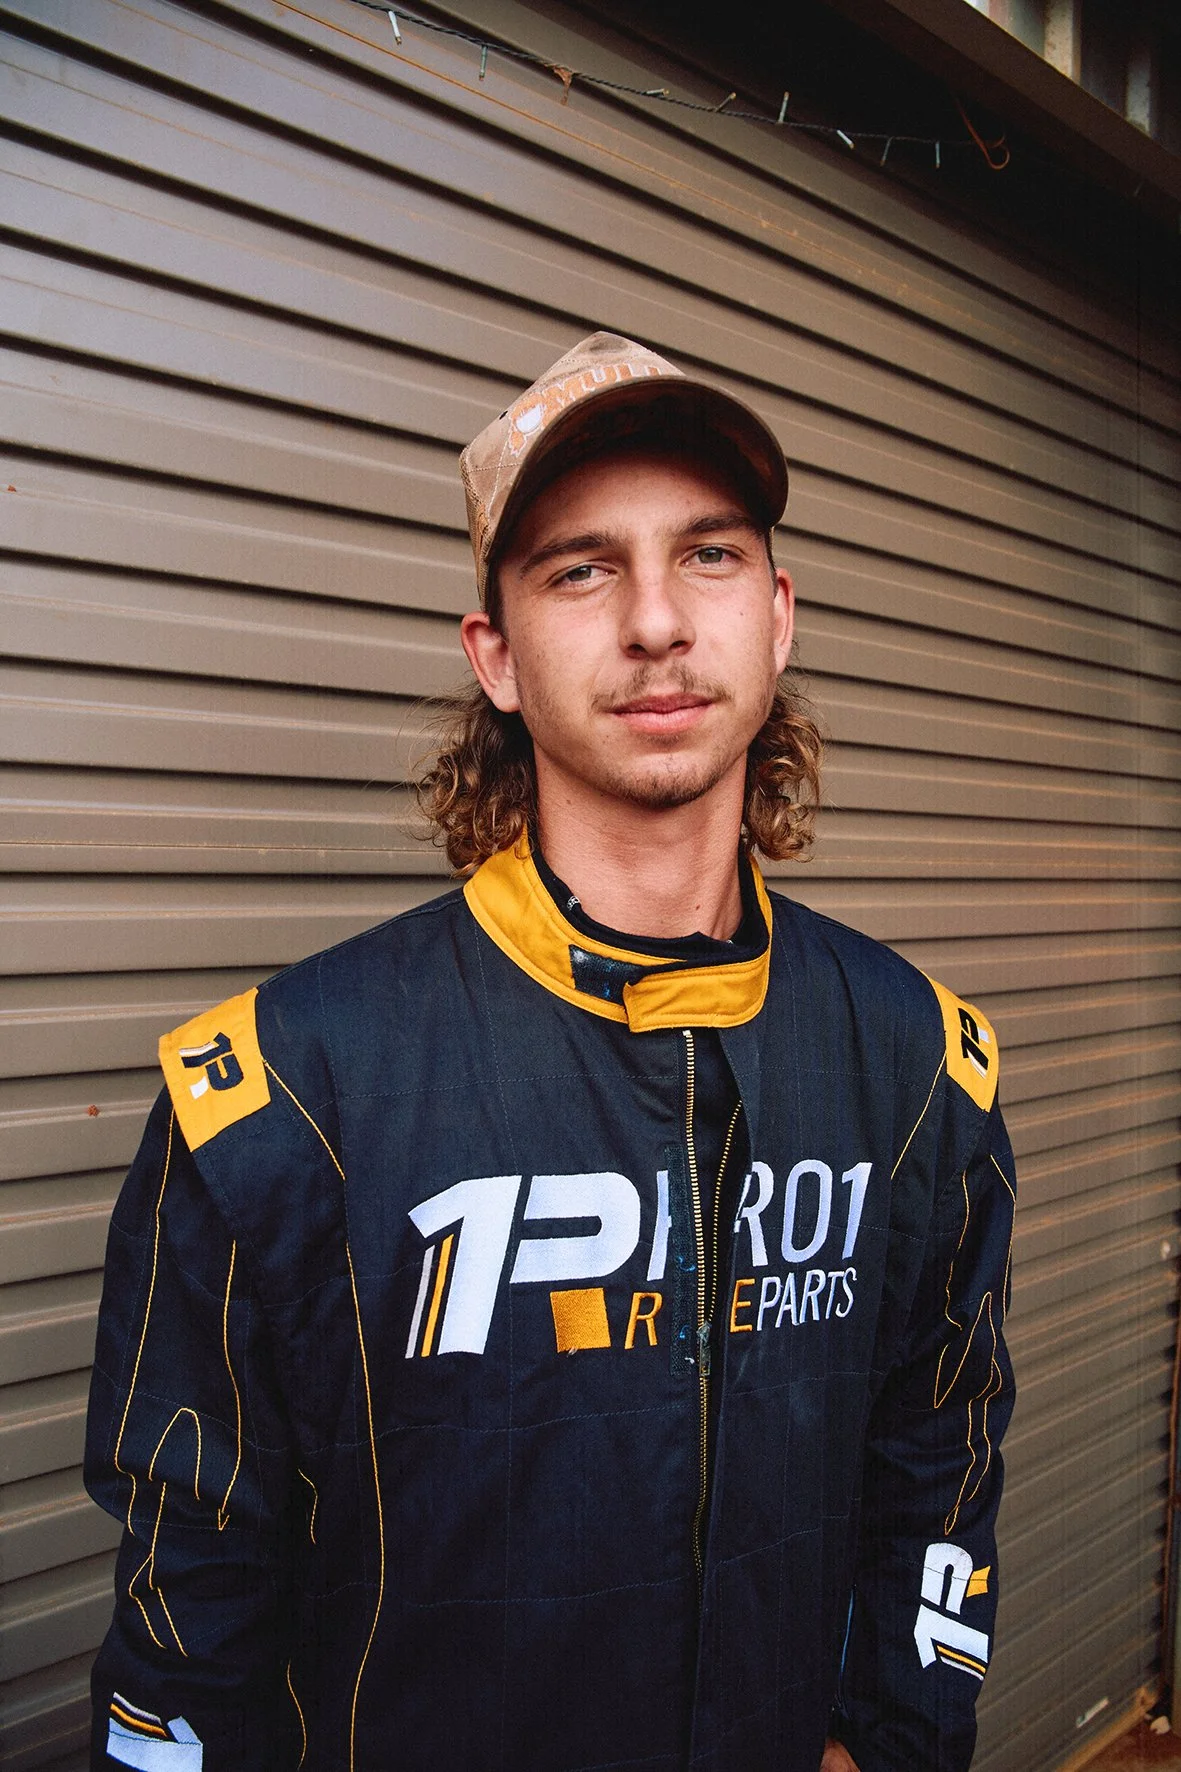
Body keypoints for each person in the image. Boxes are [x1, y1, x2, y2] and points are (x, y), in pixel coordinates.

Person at [85, 332, 1015, 1772]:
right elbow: (187, 1622)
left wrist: (888, 1745)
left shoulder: (912, 1074)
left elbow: (937, 1483)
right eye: (581, 569)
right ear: (498, 656)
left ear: (779, 614)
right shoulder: (283, 1101)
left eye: (706, 557)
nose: (655, 621)